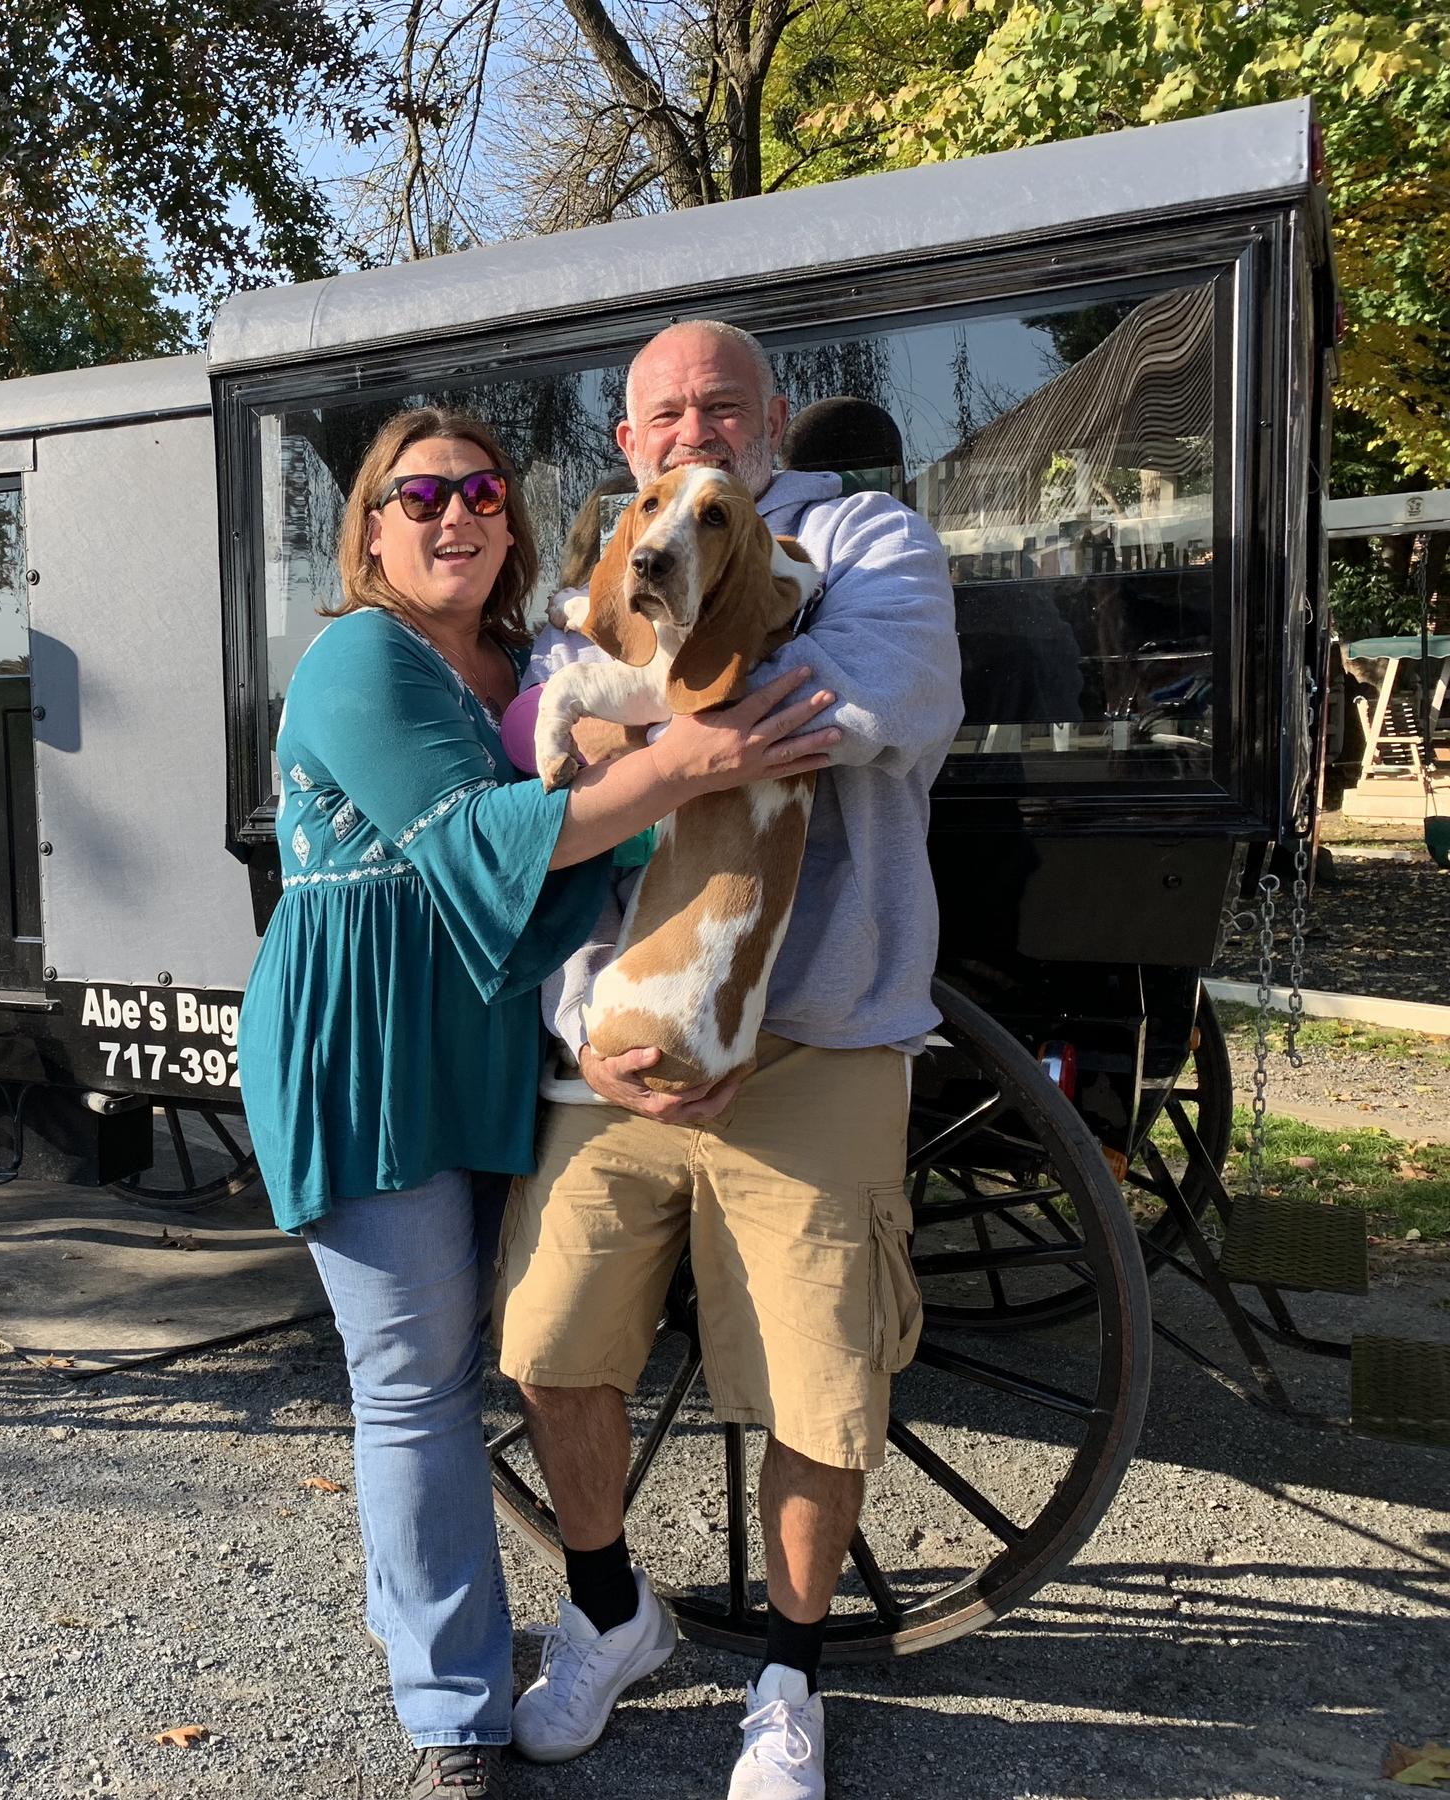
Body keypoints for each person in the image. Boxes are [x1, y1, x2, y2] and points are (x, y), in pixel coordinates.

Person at [237, 405, 841, 1799]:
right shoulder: (357, 662)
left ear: (511, 521)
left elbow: (581, 871)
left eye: (484, 490)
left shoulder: (524, 665)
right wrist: (684, 764)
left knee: (482, 1363)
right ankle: (453, 1710)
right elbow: (485, 843)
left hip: (496, 1033)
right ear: (373, 529)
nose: (457, 513)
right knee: (414, 1387)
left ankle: (520, 1617)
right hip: (368, 1046)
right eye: (422, 493)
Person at [494, 322, 964, 1799]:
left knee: (820, 1383)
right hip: (618, 1050)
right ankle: (608, 1612)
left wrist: (628, 700)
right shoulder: (615, 556)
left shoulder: (871, 538)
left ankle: (787, 1679)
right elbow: (558, 829)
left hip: (816, 1038)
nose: (692, 431)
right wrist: (583, 1021)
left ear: (768, 423)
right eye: (661, 416)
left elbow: (829, 706)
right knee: (553, 1342)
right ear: (628, 445)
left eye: (720, 405)